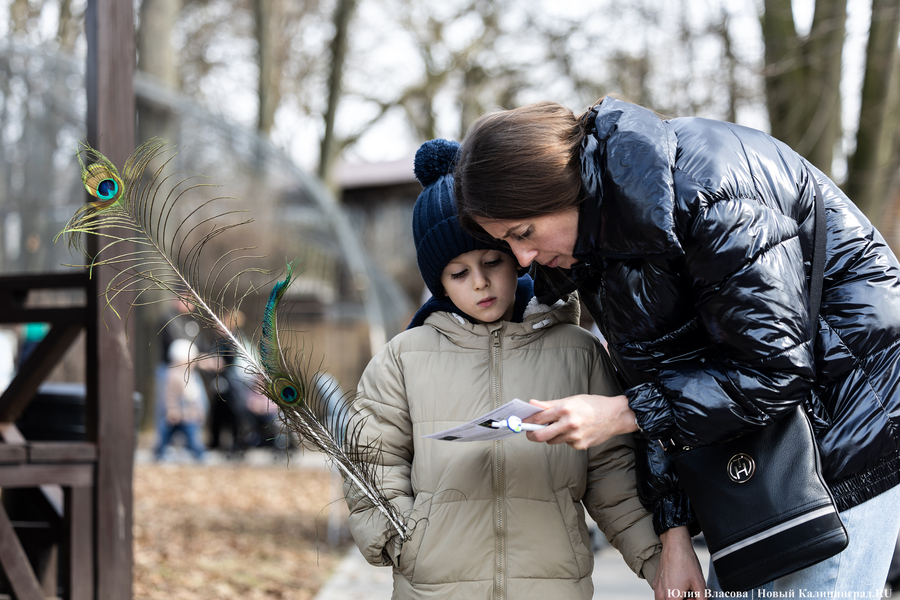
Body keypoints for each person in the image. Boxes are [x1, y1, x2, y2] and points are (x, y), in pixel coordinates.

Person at [454, 96, 900, 598]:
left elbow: (773, 370)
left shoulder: (709, 190)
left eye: (524, 233)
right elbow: (660, 377)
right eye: (508, 243)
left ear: (565, 185)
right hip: (765, 453)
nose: (524, 258)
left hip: (850, 434)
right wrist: (674, 535)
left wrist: (623, 413)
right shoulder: (602, 238)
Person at [342, 138, 703, 600]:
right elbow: (371, 458)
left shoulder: (578, 352)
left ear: (518, 255)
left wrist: (657, 561)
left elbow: (614, 475)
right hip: (434, 589)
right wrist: (404, 543)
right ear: (439, 284)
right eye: (458, 273)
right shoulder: (402, 359)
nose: (480, 282)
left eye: (492, 261)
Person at [154, 338, 208, 461]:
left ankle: (199, 453)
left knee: (192, 436)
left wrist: (200, 411)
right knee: (165, 433)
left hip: (190, 416)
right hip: (176, 415)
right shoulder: (173, 376)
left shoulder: (193, 376)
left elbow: (196, 398)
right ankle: (160, 452)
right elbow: (170, 396)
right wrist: (171, 409)